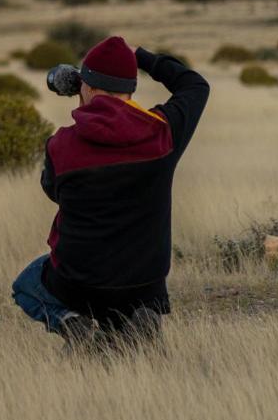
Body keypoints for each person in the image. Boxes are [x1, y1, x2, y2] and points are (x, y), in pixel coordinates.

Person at [11, 36, 210, 350]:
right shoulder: (163, 131)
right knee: (132, 291)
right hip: (146, 282)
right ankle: (142, 317)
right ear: (130, 90)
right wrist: (141, 56)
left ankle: (72, 323)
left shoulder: (61, 145)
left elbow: (53, 191)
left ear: (86, 88)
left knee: (25, 285)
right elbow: (196, 86)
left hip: (80, 281)